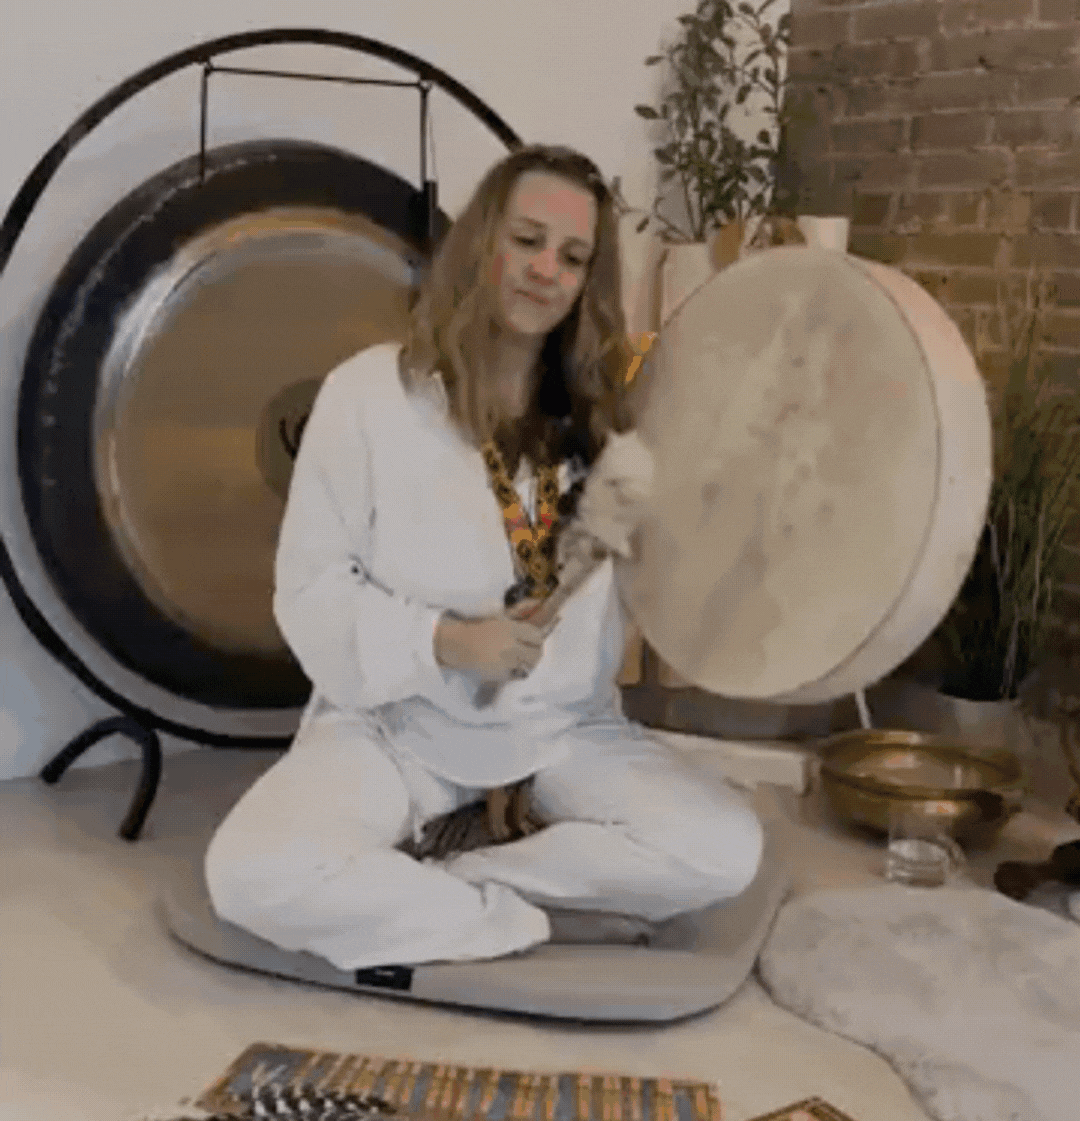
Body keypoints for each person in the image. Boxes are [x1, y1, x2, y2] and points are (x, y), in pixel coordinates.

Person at [204, 144, 764, 970]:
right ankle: (517, 918)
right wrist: (445, 640)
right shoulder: (367, 393)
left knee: (726, 850)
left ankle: (466, 875)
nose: (546, 271)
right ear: (481, 244)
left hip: (560, 731)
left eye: (572, 258)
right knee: (249, 875)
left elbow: (662, 567)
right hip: (397, 725)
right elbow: (310, 586)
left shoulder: (607, 418)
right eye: (527, 240)